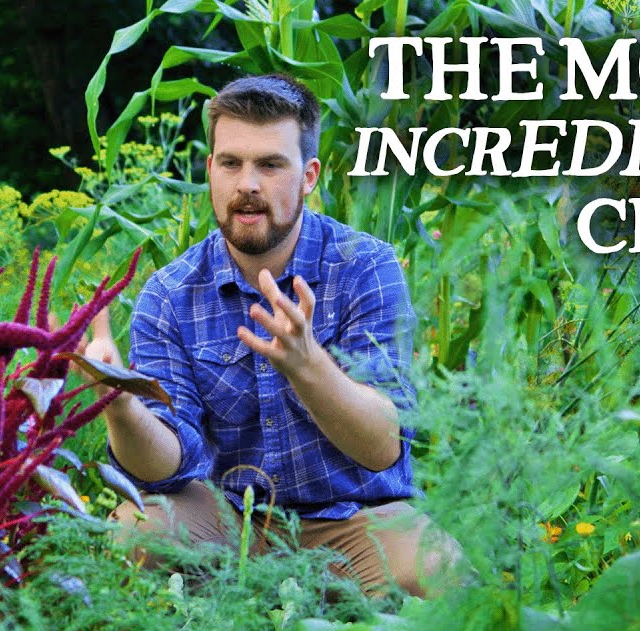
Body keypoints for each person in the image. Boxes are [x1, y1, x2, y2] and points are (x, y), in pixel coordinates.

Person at [80, 74, 459, 598]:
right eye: (231, 163)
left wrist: (309, 367)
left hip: (353, 522)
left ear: (308, 176)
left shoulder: (365, 267)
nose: (247, 184)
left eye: (270, 164)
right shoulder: (169, 295)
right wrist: (120, 404)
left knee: (441, 569)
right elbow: (168, 467)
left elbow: (381, 448)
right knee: (135, 534)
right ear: (210, 170)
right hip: (229, 519)